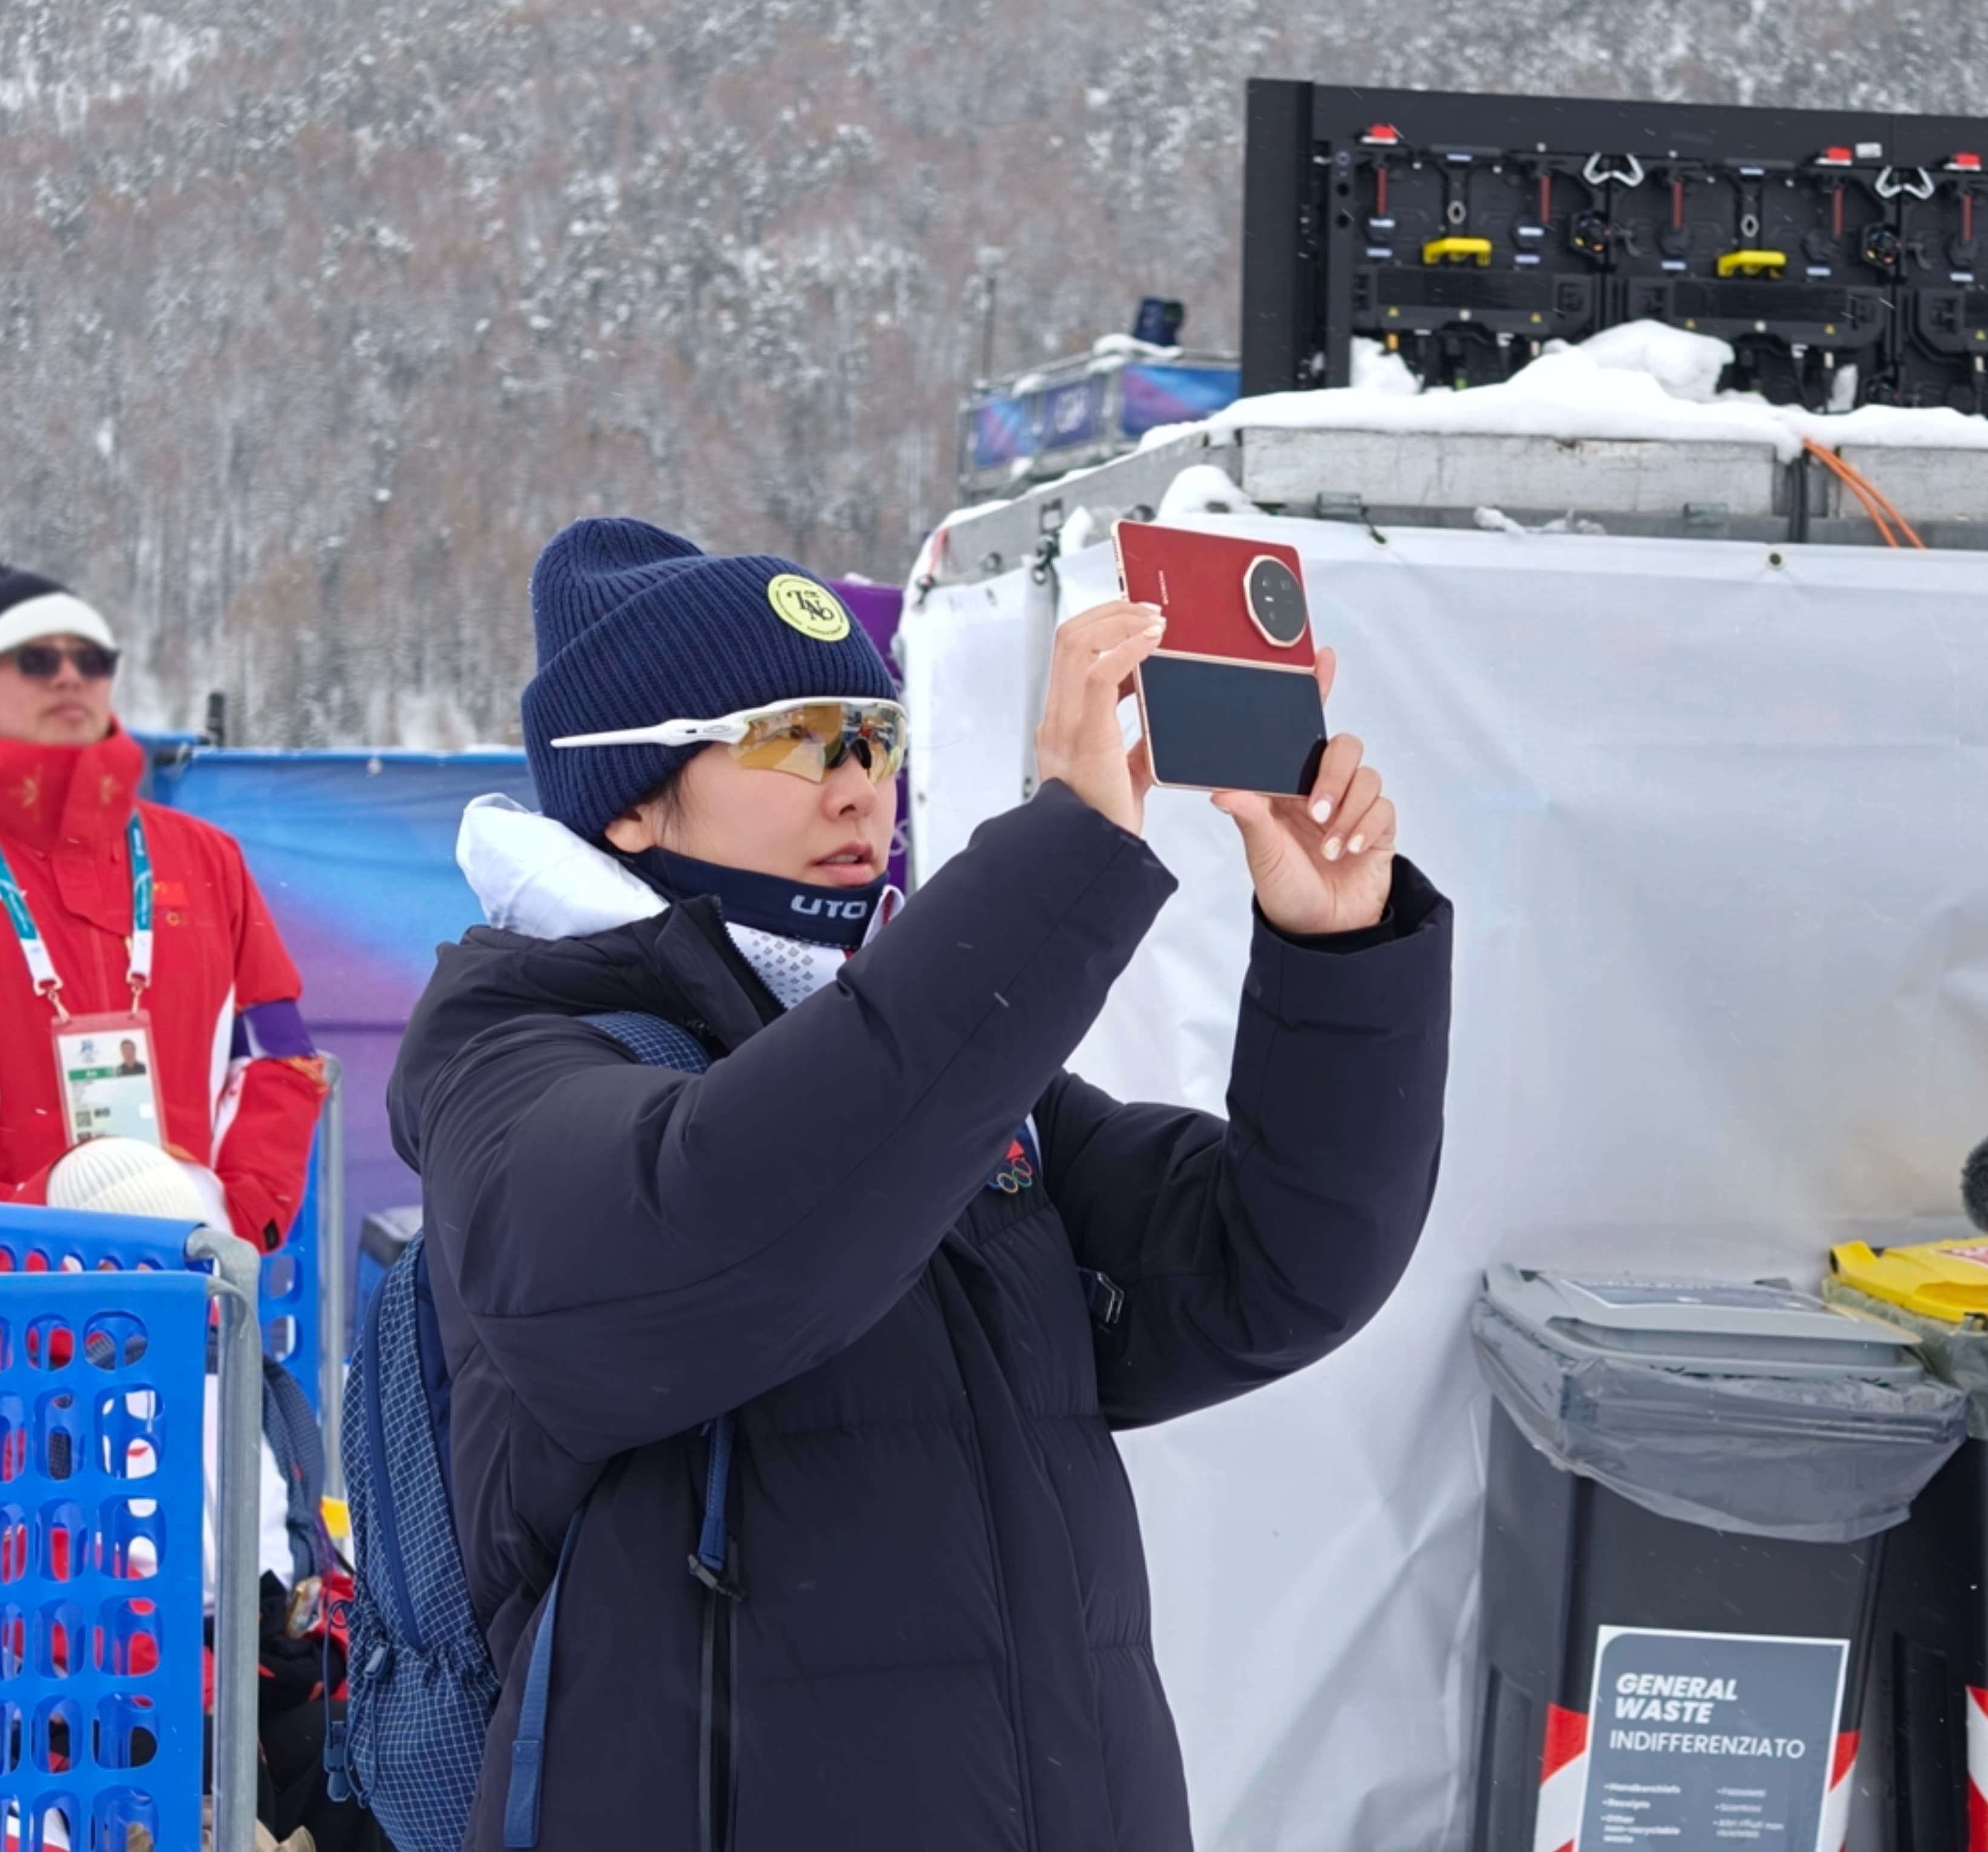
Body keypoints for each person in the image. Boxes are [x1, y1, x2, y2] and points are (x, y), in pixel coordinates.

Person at [392, 516, 1453, 1851]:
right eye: (797, 739)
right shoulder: (515, 1054)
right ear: (629, 797)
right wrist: (1061, 852)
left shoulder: (940, 1087)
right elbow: (716, 1234)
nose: (859, 789)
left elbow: (1269, 1269)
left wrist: (1333, 950)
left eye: (878, 740)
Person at [0, 562, 326, 1246]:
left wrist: (231, 1218)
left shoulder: (207, 859)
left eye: (91, 658)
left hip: (177, 1300)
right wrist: (1, 1234)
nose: (70, 676)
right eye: (35, 658)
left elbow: (282, 1055)